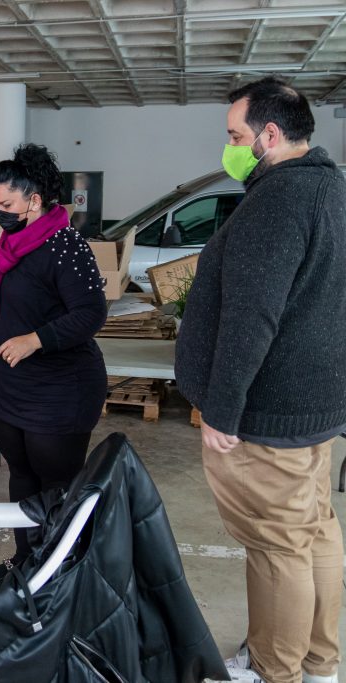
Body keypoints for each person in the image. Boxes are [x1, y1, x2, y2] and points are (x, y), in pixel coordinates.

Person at [175, 76, 346, 683]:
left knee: (277, 547)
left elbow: (253, 318)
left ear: (270, 135)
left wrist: (222, 409)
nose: (230, 147)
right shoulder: (331, 187)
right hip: (314, 404)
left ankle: (277, 671)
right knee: (314, 530)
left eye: (236, 136)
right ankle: (319, 661)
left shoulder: (276, 202)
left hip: (266, 415)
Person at [0, 144, 108, 585]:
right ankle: (26, 564)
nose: (0, 212)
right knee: (22, 477)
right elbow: (21, 286)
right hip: (13, 387)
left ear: (34, 200)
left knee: (56, 489)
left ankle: (61, 577)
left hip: (59, 391)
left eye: (6, 205)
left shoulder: (66, 246)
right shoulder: (15, 241)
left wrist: (37, 339)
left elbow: (91, 313)